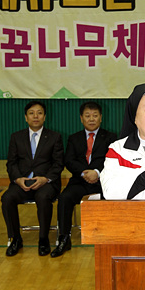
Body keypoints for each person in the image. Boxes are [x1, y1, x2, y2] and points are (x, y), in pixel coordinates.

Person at [51, 101, 117, 258]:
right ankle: (64, 239)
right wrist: (84, 173)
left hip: (102, 182)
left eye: (95, 115)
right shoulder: (74, 138)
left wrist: (96, 172)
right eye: (87, 116)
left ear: (101, 117)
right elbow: (69, 160)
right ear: (81, 118)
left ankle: (111, 238)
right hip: (79, 181)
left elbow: (113, 160)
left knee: (114, 197)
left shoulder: (111, 137)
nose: (91, 119)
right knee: (64, 198)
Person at [1, 100, 64, 257]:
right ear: (26, 117)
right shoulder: (16, 137)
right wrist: (17, 179)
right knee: (7, 198)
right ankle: (15, 239)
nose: (35, 116)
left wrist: (45, 179)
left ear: (45, 117)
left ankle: (43, 239)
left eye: (39, 113)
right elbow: (11, 163)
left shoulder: (54, 137)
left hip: (46, 183)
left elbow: (58, 164)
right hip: (23, 182)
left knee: (43, 197)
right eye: (31, 113)